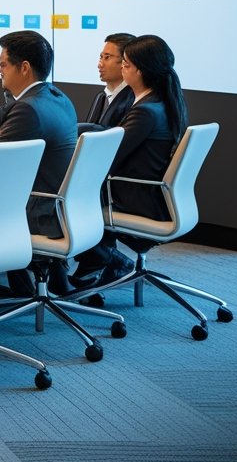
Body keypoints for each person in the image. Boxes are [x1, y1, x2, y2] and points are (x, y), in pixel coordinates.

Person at [72, 34, 188, 286]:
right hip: (150, 196)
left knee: (67, 195)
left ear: (141, 71)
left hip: (134, 198)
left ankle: (96, 265)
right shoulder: (160, 103)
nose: (122, 70)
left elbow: (108, 157)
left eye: (125, 64)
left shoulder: (145, 112)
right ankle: (98, 264)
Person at [0, 31, 79, 297]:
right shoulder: (56, 97)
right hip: (63, 208)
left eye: (3, 64)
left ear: (24, 67)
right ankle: (27, 286)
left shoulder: (28, 109)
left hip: (40, 212)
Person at [81, 33, 136, 130]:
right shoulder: (102, 96)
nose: (100, 64)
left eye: (107, 57)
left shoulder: (132, 99)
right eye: (101, 57)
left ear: (126, 61)